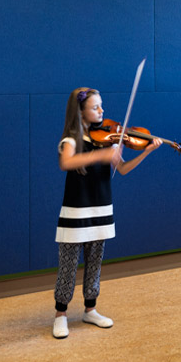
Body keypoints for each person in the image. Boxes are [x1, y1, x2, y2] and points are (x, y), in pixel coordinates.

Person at [52, 87, 161, 339]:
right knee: (68, 265)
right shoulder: (71, 140)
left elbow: (121, 169)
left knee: (95, 262)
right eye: (95, 107)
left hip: (102, 207)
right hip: (76, 210)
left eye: (101, 106)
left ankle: (90, 309)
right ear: (80, 112)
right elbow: (66, 163)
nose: (101, 111)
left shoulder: (107, 138)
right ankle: (60, 314)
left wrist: (145, 151)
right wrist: (101, 154)